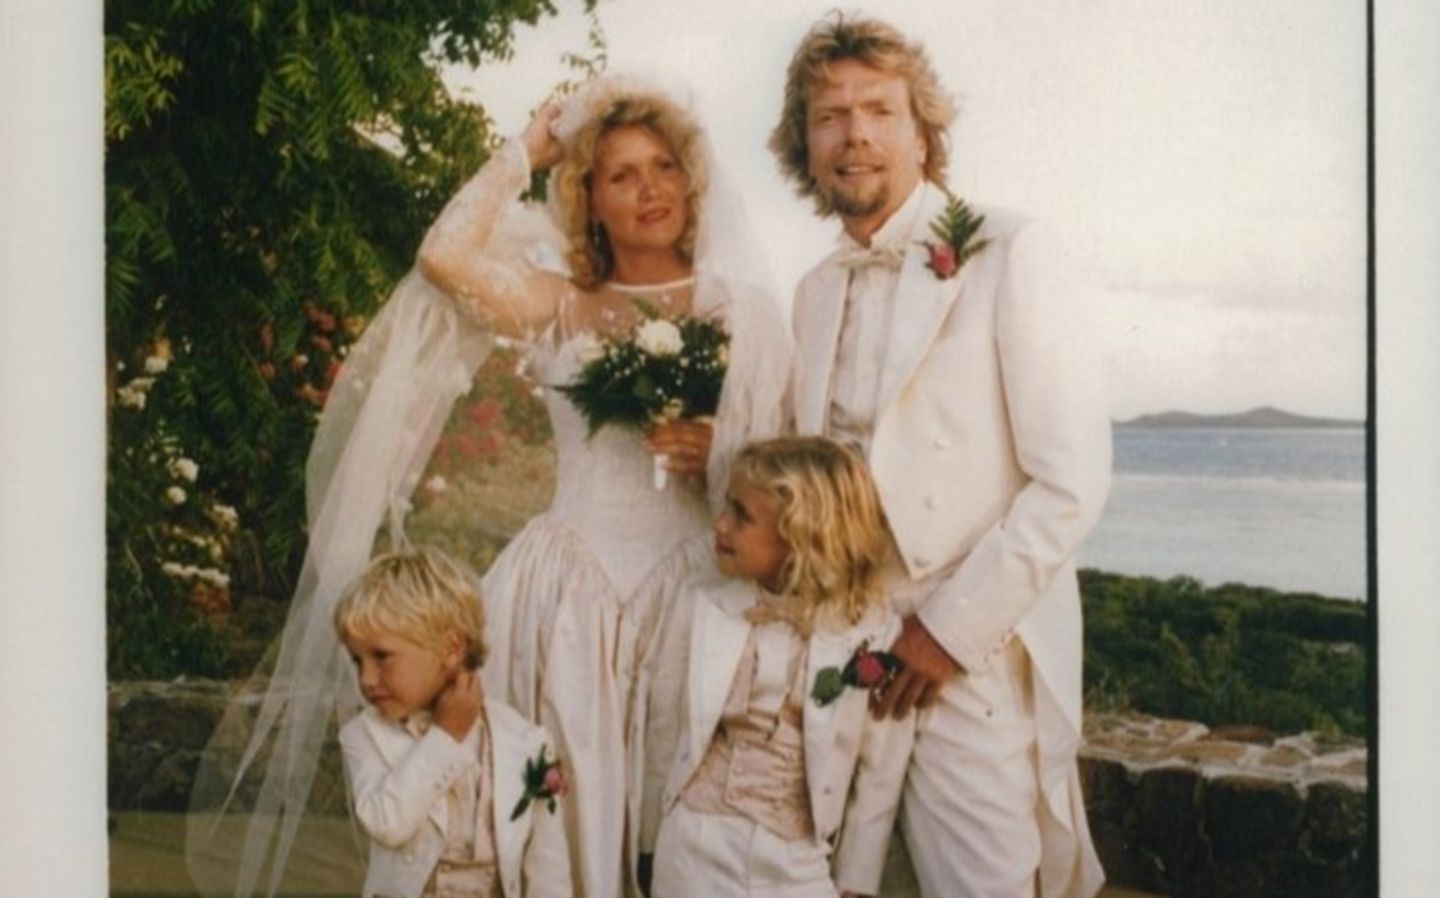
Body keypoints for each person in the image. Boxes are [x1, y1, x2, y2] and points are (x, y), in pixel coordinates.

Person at [188, 74, 790, 898]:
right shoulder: (560, 303)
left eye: (664, 167)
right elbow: (444, 259)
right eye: (620, 174)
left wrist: (721, 448)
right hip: (565, 596)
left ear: (691, 181)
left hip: (694, 590)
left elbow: (790, 464)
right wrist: (526, 150)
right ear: (587, 197)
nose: (649, 189)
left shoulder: (745, 312)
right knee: (547, 820)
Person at [770, 15, 1113, 898]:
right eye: (829, 116)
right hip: (846, 642)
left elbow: (1071, 482)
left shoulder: (1010, 250)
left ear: (923, 133)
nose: (854, 135)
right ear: (804, 146)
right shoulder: (811, 294)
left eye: (879, 111)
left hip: (970, 649)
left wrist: (948, 634)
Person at [640, 436, 911, 898]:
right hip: (694, 840)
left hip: (796, 857)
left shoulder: (869, 634)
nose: (720, 524)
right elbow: (664, 729)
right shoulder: (703, 607)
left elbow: (880, 767)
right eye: (725, 506)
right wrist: (651, 840)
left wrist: (857, 878)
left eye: (741, 515)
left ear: (800, 537)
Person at [333, 547, 571, 898]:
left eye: (382, 657)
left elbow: (548, 867)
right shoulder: (362, 735)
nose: (366, 679)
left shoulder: (527, 742)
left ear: (451, 649)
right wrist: (445, 736)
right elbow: (388, 824)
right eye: (357, 661)